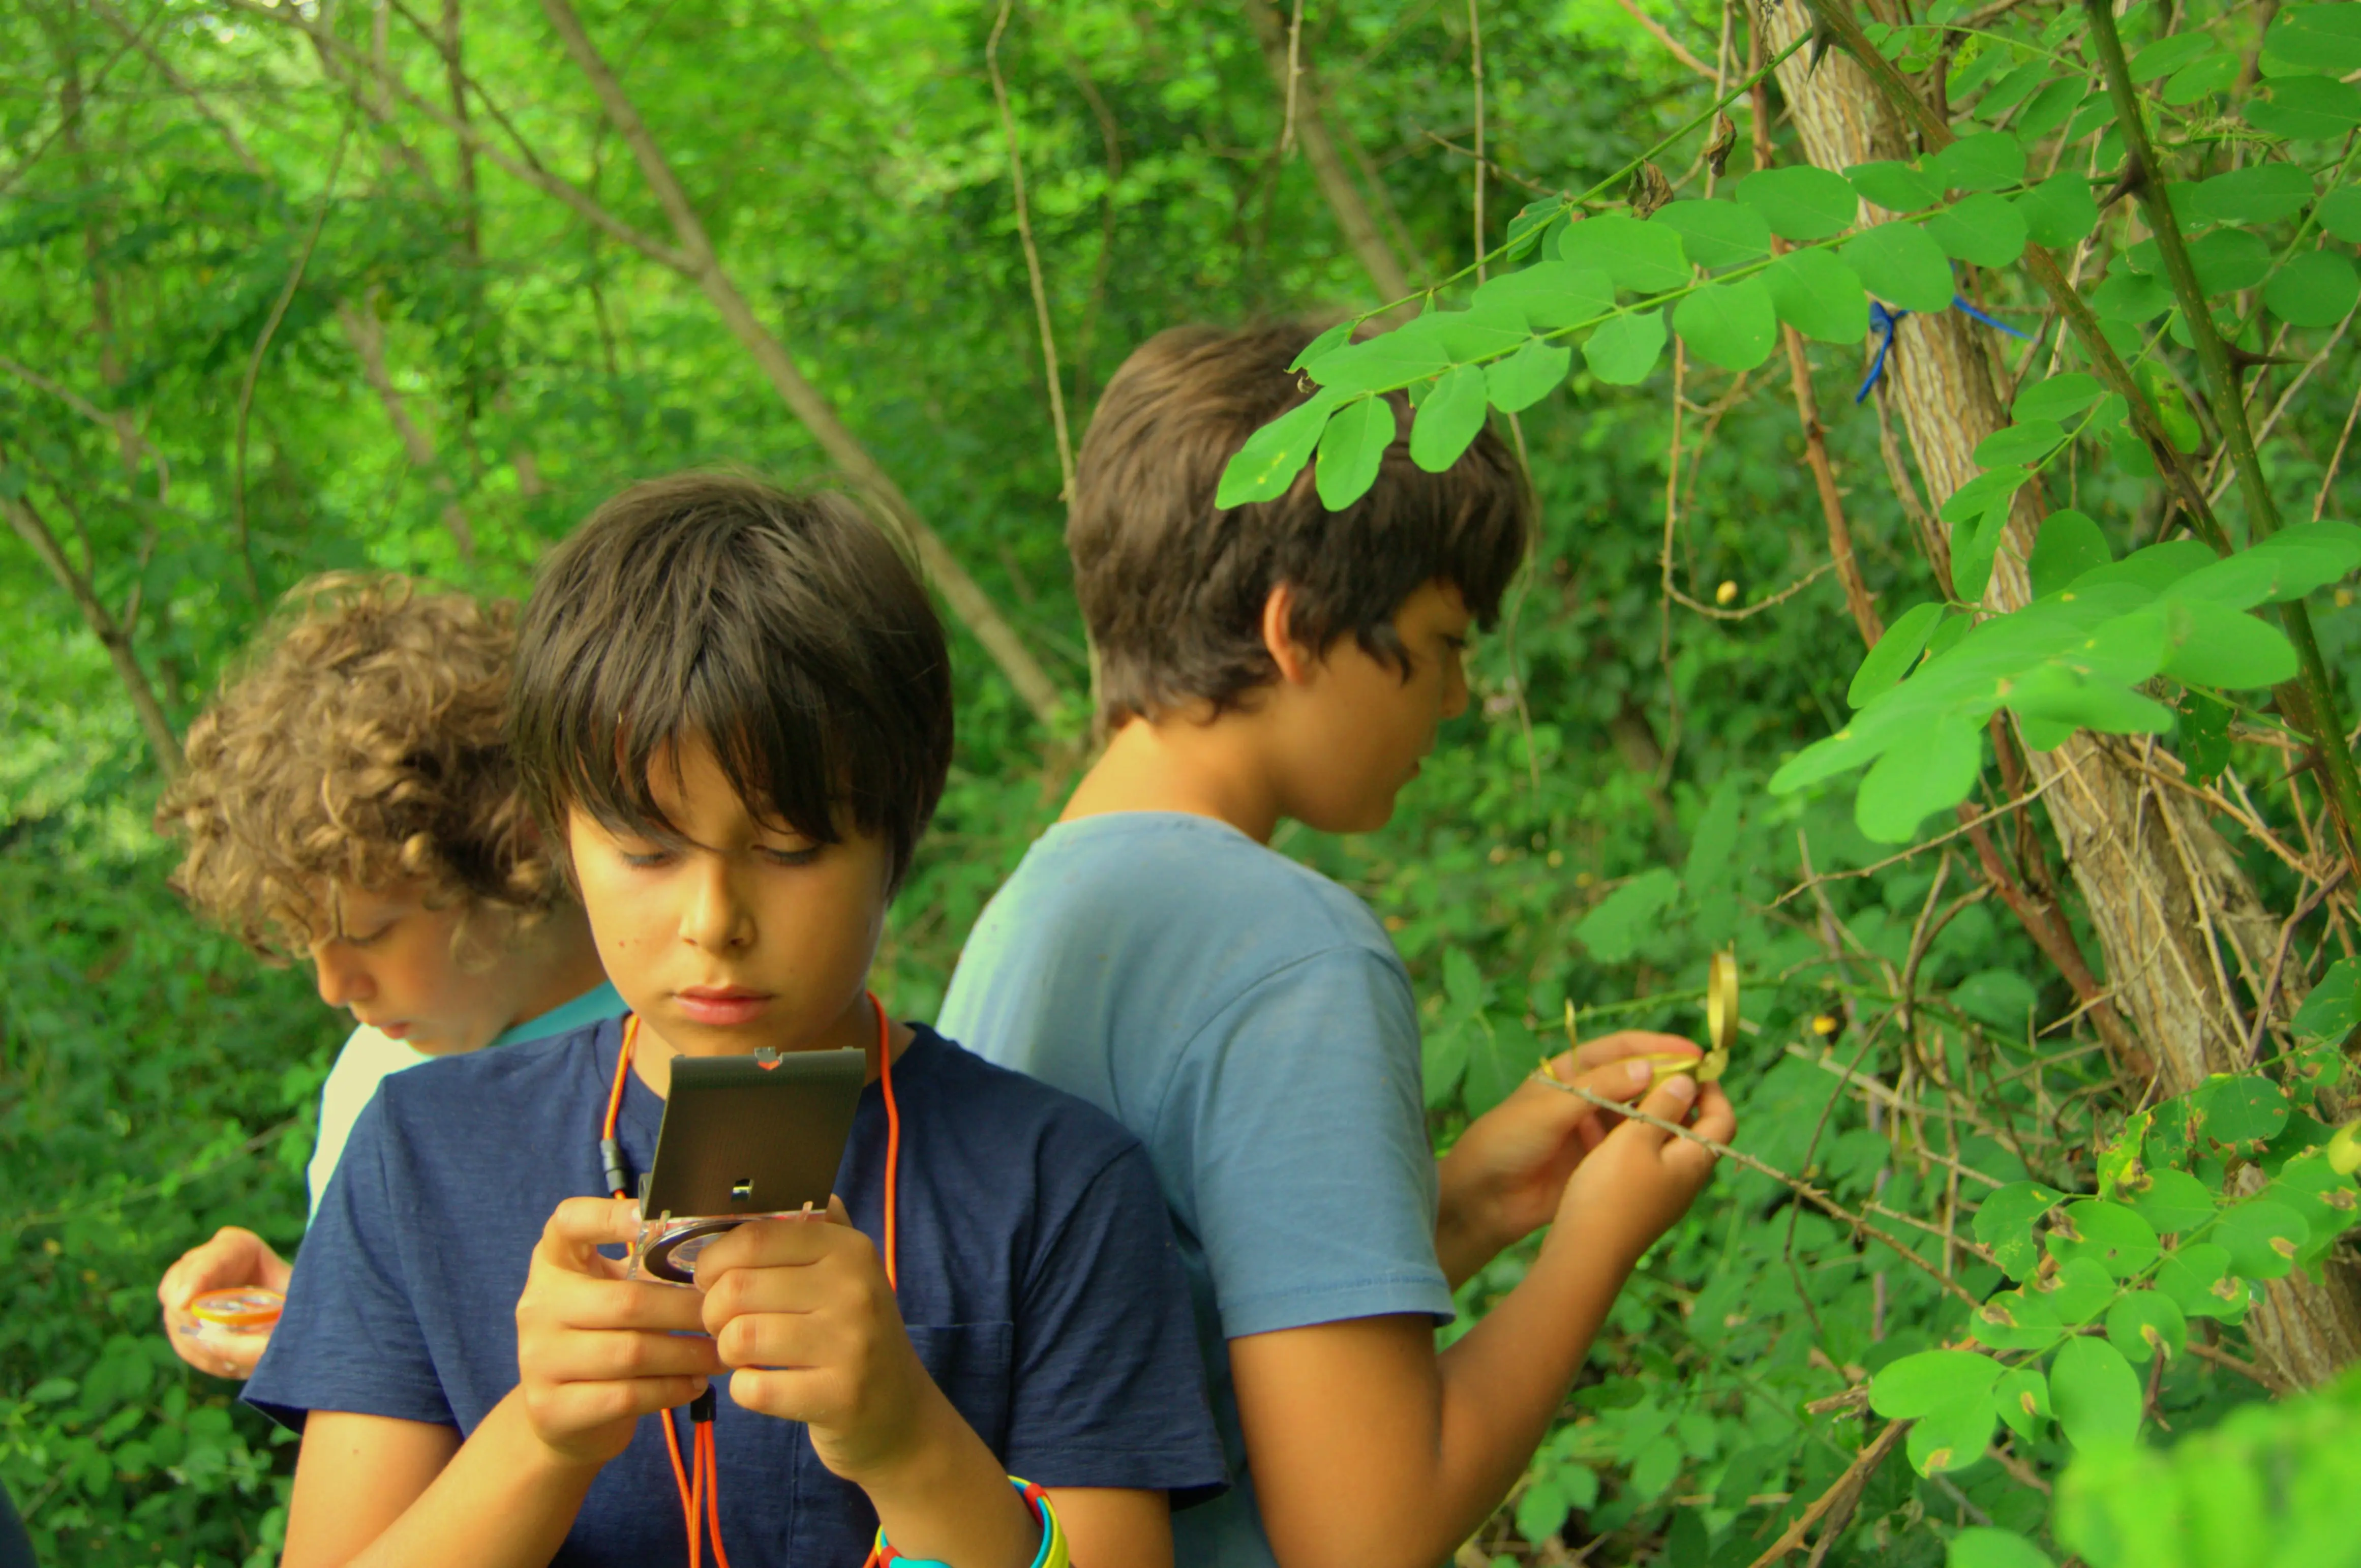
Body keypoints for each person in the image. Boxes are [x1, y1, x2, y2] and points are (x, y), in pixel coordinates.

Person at [243, 474, 1224, 1567]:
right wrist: (539, 1437)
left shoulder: (1057, 1187)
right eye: (646, 850)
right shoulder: (421, 1156)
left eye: (790, 849)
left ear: (899, 835)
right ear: (558, 834)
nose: (715, 921)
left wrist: (907, 1442)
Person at [939, 323, 1741, 1568]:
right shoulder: (1293, 954)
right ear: (1297, 628)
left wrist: (1466, 1206)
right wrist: (1596, 1245)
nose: (1457, 699)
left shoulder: (1035, 912)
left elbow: (1169, 1338)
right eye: (1443, 644)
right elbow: (1364, 1534)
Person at [152, 576, 620, 1379]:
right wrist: (307, 1326)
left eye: (367, 934)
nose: (334, 987)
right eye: (305, 944)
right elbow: (403, 1370)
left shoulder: (684, 1036)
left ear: (511, 849)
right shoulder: (374, 1077)